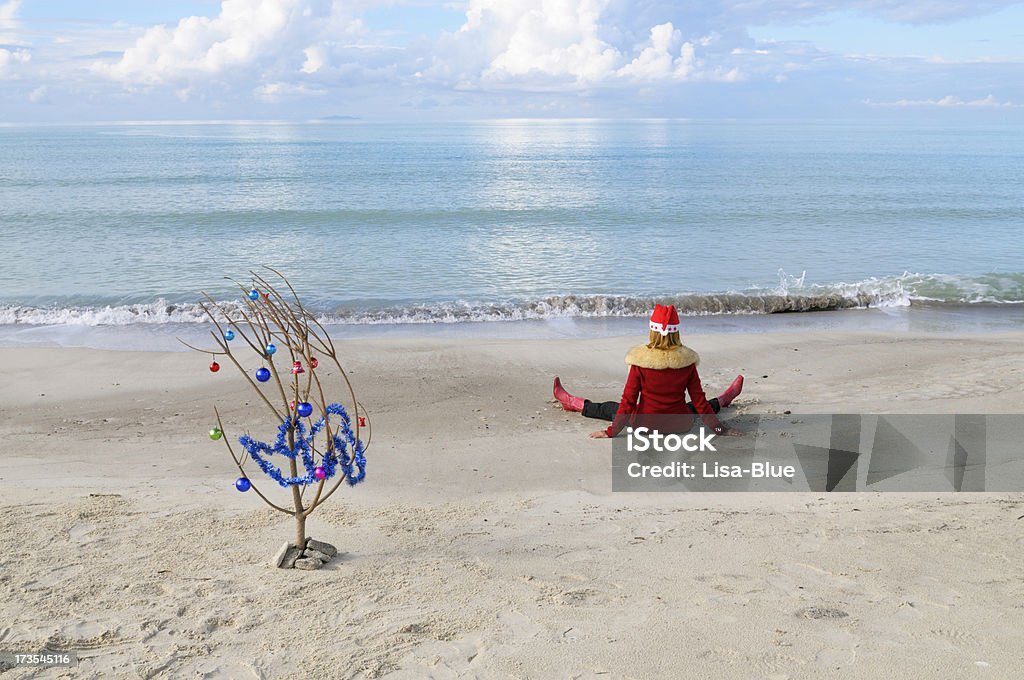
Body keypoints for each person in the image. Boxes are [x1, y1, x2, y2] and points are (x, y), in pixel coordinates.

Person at [553, 303, 745, 439]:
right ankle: (723, 399)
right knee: (694, 407)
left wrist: (611, 432)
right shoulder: (686, 363)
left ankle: (573, 402)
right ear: (676, 332)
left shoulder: (640, 363)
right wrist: (721, 431)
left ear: (652, 331)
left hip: (644, 425)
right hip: (680, 425)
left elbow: (628, 402)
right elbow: (700, 402)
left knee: (612, 408)